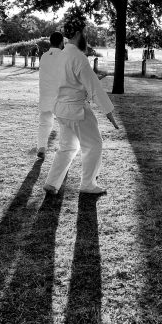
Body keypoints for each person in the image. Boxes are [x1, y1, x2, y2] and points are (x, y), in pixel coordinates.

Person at [43, 15, 119, 195]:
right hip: (77, 110)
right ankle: (88, 184)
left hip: (61, 109)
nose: (86, 35)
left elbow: (64, 82)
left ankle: (52, 182)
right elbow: (95, 89)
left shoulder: (60, 56)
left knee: (67, 147)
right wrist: (109, 113)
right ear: (78, 33)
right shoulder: (79, 57)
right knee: (94, 144)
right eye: (84, 32)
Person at [35, 32, 65, 159]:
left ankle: (41, 147)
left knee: (44, 123)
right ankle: (63, 151)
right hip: (60, 96)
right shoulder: (64, 56)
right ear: (61, 42)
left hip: (45, 94)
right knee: (64, 125)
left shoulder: (44, 56)